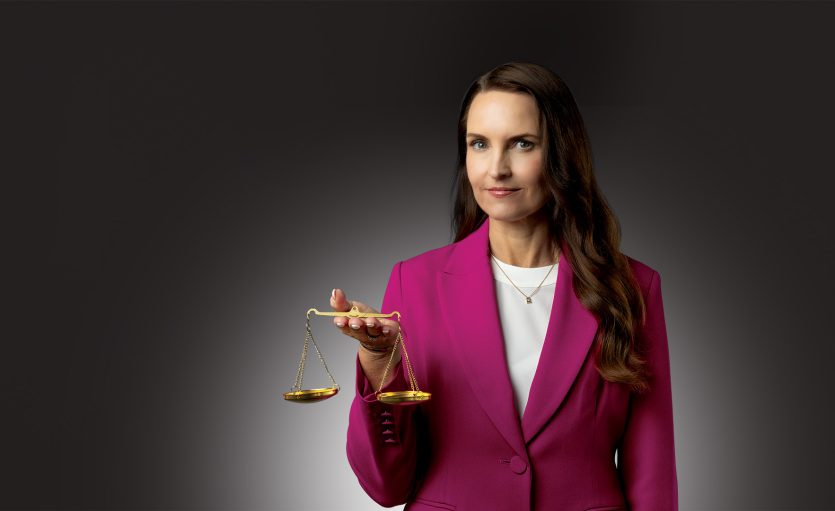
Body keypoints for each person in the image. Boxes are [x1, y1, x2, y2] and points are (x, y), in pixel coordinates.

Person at [329, 62, 678, 511]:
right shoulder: (415, 282)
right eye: (479, 144)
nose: (497, 168)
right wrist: (379, 363)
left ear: (562, 153)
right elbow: (386, 487)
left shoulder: (634, 288)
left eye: (522, 144)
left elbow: (652, 471)